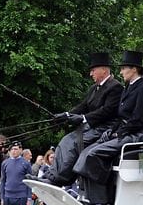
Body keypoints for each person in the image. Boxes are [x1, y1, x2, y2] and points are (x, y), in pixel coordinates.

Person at [73, 50, 143, 205]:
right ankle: (91, 197)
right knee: (87, 150)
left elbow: (139, 119)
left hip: (136, 135)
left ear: (134, 69)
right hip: (123, 132)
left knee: (93, 154)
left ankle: (101, 202)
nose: (121, 72)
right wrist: (111, 130)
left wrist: (118, 133)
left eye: (123, 68)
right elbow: (120, 116)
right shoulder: (128, 89)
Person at [47, 52, 124, 186]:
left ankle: (60, 179)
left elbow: (107, 111)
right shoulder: (93, 88)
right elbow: (83, 106)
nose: (90, 74)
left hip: (105, 128)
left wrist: (83, 118)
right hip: (93, 127)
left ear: (104, 70)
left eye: (93, 70)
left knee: (73, 142)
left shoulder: (115, 87)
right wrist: (66, 115)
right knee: (66, 140)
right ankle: (53, 175)